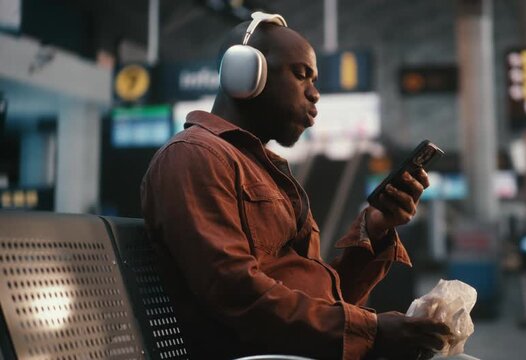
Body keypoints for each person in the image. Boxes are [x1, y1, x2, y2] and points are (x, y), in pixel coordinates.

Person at [141, 12, 450, 360]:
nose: (315, 94)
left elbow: (321, 303)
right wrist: (373, 331)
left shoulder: (259, 168)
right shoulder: (195, 156)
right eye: (302, 74)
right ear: (244, 74)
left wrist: (375, 228)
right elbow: (234, 292)